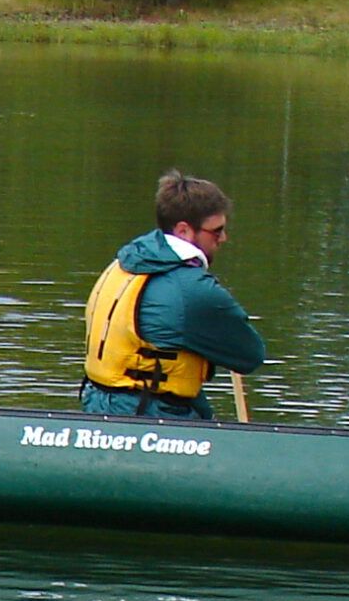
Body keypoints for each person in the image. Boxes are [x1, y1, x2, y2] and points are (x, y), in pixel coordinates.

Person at [80, 170, 267, 421]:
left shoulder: (123, 263)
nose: (223, 238)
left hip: (96, 404)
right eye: (216, 231)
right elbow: (250, 355)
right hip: (150, 415)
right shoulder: (193, 290)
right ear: (183, 231)